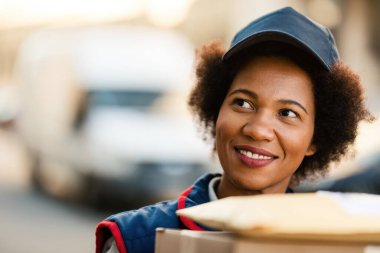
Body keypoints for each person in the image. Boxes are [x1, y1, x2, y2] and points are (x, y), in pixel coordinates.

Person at [95, 7, 373, 253]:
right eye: (243, 103)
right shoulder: (135, 239)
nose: (258, 130)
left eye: (288, 113)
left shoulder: (330, 245)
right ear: (217, 111)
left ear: (317, 137)